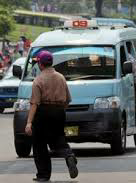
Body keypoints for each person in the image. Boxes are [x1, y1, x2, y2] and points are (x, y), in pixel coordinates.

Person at [25, 51, 78, 182]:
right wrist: (59, 111)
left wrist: (29, 123)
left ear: (40, 64)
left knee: (39, 144)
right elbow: (68, 100)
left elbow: (34, 103)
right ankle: (69, 155)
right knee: (59, 139)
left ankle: (43, 175)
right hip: (59, 112)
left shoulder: (38, 80)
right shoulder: (61, 77)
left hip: (43, 112)